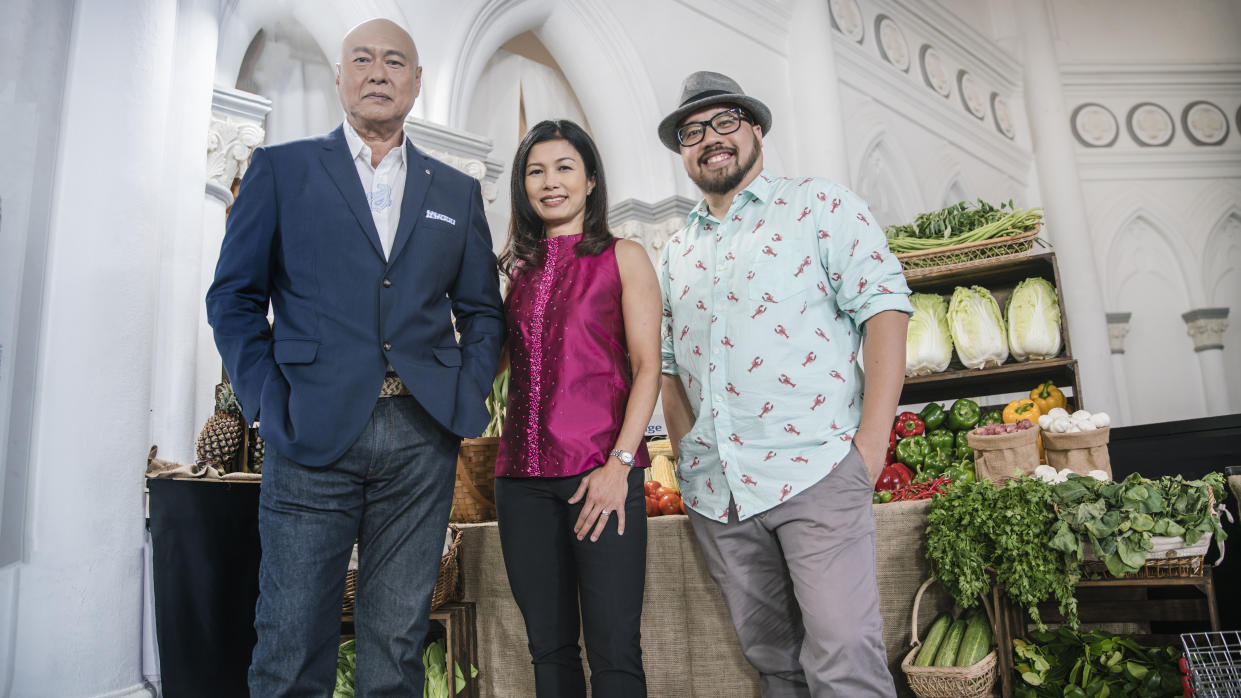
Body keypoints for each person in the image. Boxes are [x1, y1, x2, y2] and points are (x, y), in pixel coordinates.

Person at [206, 18, 504, 696]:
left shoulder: (455, 192)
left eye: (395, 61)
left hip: (420, 435)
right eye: (362, 60)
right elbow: (233, 298)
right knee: (289, 639)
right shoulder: (281, 170)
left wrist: (465, 395)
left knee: (396, 641)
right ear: (341, 77)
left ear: (416, 82)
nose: (378, 72)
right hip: (309, 430)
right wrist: (264, 402)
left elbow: (483, 311)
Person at [655, 71, 912, 697]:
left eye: (724, 123)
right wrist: (690, 458)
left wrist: (869, 450)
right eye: (692, 131)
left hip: (817, 469)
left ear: (755, 129)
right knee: (773, 663)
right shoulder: (675, 250)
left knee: (845, 656)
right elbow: (666, 365)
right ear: (683, 151)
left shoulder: (820, 205)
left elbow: (885, 310)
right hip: (719, 495)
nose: (710, 140)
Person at [493, 119, 662, 697]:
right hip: (521, 481)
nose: (550, 182)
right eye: (536, 171)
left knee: (615, 655)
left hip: (600, 473)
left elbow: (649, 368)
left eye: (565, 167)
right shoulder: (516, 272)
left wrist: (619, 465)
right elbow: (491, 364)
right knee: (550, 651)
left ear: (591, 180)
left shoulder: (625, 256)